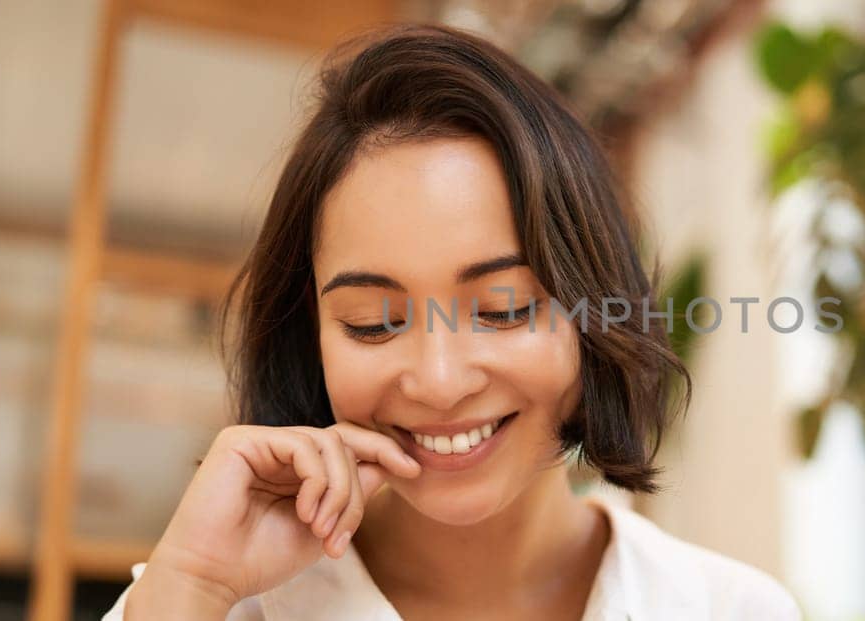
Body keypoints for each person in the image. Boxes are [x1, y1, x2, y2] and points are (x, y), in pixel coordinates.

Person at [102, 23, 801, 620]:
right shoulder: (215, 603)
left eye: (503, 309)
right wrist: (191, 585)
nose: (439, 380)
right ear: (306, 338)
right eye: (374, 323)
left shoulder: (727, 607)